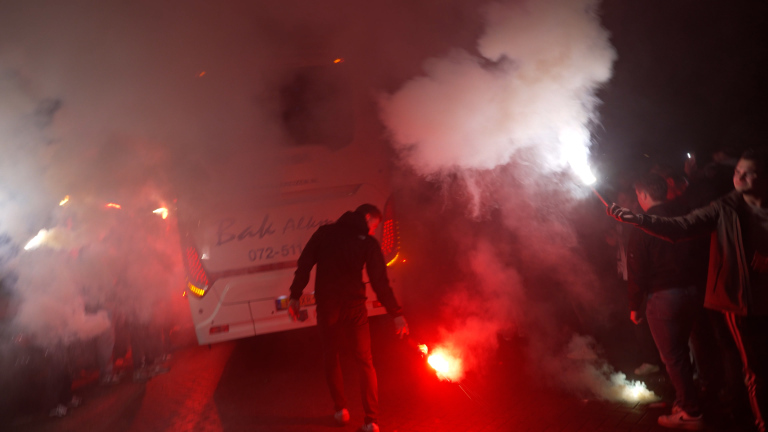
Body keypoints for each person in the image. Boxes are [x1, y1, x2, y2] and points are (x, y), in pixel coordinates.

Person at [609, 147, 768, 432]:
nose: (739, 177)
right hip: (743, 302)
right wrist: (639, 220)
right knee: (756, 372)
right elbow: (681, 227)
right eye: (736, 172)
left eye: (748, 173)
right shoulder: (723, 208)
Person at [288, 204, 409, 432]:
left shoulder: (324, 234)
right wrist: (397, 313)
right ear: (366, 217)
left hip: (328, 306)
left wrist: (295, 296)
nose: (373, 231)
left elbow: (304, 264)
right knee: (365, 361)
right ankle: (371, 421)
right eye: (373, 225)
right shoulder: (368, 243)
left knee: (331, 355)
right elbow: (379, 282)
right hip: (355, 308)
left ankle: (341, 410)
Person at [627, 173, 708, 430]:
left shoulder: (644, 224)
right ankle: (686, 400)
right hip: (693, 293)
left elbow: (637, 270)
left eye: (638, 195)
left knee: (674, 356)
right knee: (685, 352)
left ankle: (690, 412)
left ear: (644, 195)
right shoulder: (684, 215)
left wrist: (634, 305)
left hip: (664, 298)